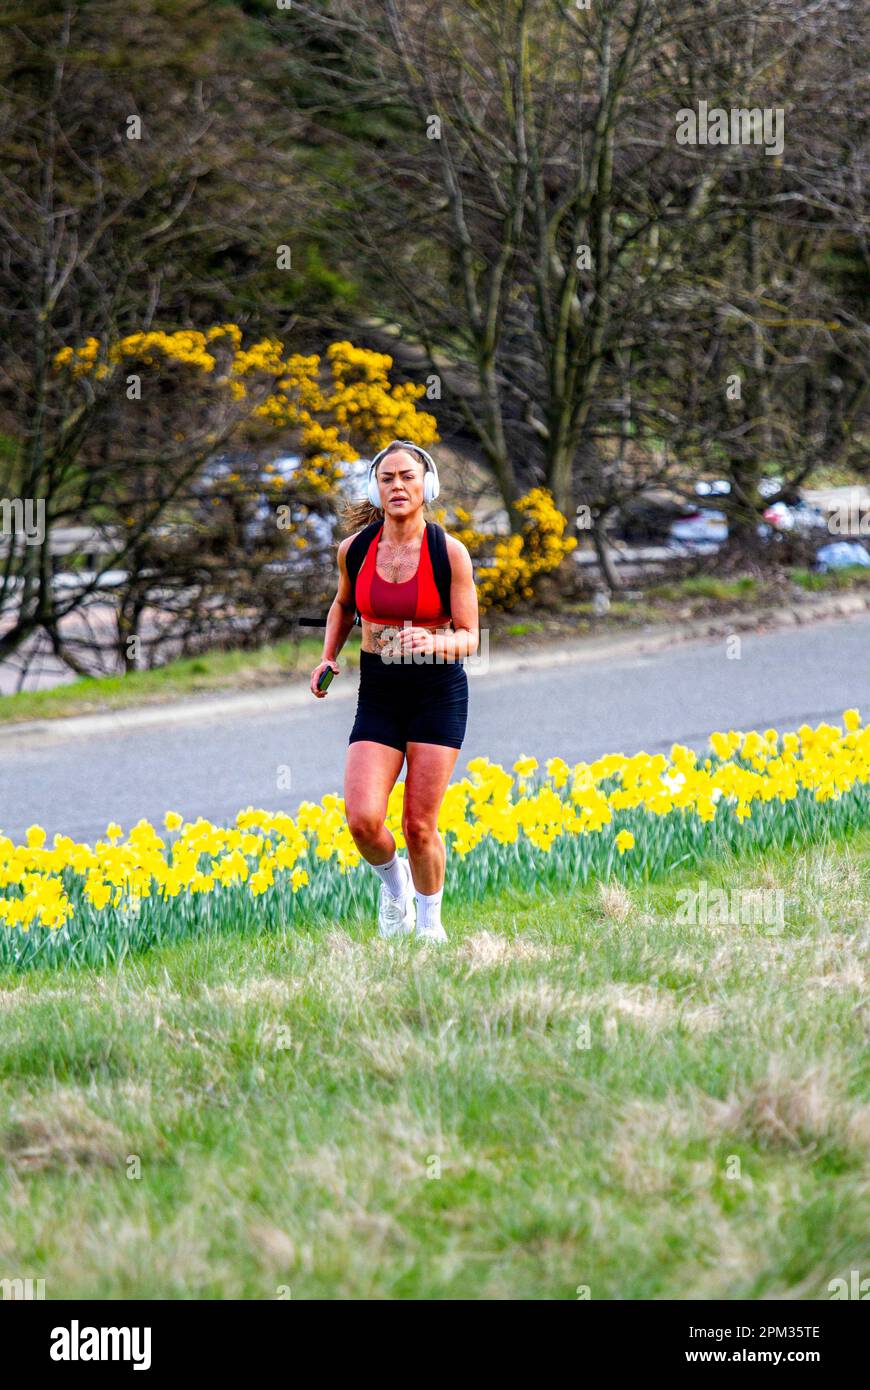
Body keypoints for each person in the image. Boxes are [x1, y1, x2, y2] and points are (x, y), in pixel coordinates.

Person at [310, 441, 479, 942]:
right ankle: (395, 888)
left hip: (437, 694)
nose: (398, 486)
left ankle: (429, 927)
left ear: (426, 485)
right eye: (388, 479)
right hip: (379, 692)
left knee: (418, 826)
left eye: (407, 477)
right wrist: (328, 655)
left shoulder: (449, 552)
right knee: (362, 820)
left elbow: (471, 638)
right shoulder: (356, 549)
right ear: (375, 488)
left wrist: (433, 639)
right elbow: (342, 605)